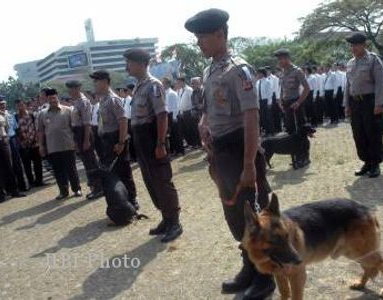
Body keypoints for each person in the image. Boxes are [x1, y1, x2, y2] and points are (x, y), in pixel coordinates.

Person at [185, 8, 275, 299]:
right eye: (197, 37)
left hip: (240, 148)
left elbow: (251, 116)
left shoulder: (239, 69)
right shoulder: (210, 70)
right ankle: (249, 266)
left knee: (253, 213)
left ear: (220, 34)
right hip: (221, 151)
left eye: (202, 37)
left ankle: (265, 276)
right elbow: (209, 109)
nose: (199, 43)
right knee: (234, 213)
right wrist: (203, 123)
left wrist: (249, 163)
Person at [124, 48, 183, 243]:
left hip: (151, 138)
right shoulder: (138, 87)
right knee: (151, 180)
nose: (127, 66)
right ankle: (166, 219)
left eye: (130, 62)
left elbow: (161, 115)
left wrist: (160, 143)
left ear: (141, 64)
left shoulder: (153, 85)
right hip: (141, 139)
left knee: (162, 180)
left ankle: (175, 222)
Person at [90, 70, 139, 209]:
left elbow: (123, 120)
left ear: (105, 82)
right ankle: (122, 200)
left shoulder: (112, 99)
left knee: (124, 171)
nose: (94, 84)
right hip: (107, 140)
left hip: (115, 139)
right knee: (114, 172)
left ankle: (132, 199)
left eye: (96, 81)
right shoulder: (103, 100)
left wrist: (121, 142)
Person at [344, 32, 383, 178]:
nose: (353, 48)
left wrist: (379, 103)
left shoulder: (373, 60)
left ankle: (375, 164)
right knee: (359, 134)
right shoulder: (350, 63)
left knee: (373, 133)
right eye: (351, 45)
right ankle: (366, 162)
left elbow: (381, 83)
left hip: (370, 102)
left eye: (356, 44)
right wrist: (347, 105)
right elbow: (347, 85)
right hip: (355, 103)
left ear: (364, 45)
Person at [38, 88, 82, 200]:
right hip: (52, 147)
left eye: (54, 97)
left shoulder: (68, 110)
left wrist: (76, 143)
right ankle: (63, 191)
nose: (52, 100)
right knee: (58, 171)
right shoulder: (42, 114)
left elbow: (74, 128)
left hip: (68, 145)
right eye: (49, 98)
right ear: (46, 99)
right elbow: (40, 131)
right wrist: (41, 146)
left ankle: (76, 189)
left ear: (57, 97)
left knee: (71, 169)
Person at [67, 80, 103, 200]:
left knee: (91, 161)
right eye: (70, 88)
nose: (71, 91)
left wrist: (86, 140)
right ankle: (94, 187)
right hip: (78, 132)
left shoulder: (84, 102)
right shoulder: (76, 102)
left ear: (78, 88)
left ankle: (98, 187)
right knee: (87, 162)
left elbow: (87, 123)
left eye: (73, 88)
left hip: (84, 132)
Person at [275, 49, 310, 135]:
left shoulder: (297, 71)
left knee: (300, 129)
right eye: (278, 59)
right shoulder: (282, 72)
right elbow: (282, 88)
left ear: (287, 58)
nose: (279, 62)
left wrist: (298, 102)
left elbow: (307, 88)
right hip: (286, 103)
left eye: (280, 59)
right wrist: (280, 101)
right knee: (290, 129)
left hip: (295, 102)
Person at [0, 99, 28, 191]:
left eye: (4, 104)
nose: (3, 106)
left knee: (17, 164)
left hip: (13, 139)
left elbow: (16, 129)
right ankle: (11, 188)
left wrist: (20, 140)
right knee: (7, 165)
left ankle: (22, 186)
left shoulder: (10, 115)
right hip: (2, 141)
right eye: (0, 104)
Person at [15, 100, 44, 187]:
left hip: (34, 143)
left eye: (22, 105)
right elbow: (16, 130)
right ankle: (31, 182)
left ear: (25, 105)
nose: (20, 107)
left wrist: (37, 140)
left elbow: (37, 128)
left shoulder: (32, 115)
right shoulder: (15, 117)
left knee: (38, 163)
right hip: (23, 144)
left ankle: (39, 181)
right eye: (18, 105)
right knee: (27, 165)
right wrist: (21, 141)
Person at [256, 67, 274, 136]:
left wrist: (269, 102)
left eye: (259, 73)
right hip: (260, 100)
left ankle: (271, 131)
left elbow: (269, 93)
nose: (258, 74)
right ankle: (266, 131)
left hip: (266, 100)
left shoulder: (267, 81)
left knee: (268, 117)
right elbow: (257, 93)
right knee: (262, 117)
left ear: (262, 73)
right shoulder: (258, 82)